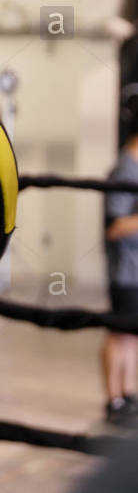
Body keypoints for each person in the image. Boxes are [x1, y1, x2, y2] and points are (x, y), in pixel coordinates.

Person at [101, 95, 138, 424]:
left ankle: (128, 394)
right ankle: (113, 400)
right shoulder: (125, 167)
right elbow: (114, 227)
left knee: (133, 335)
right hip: (124, 271)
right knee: (120, 333)